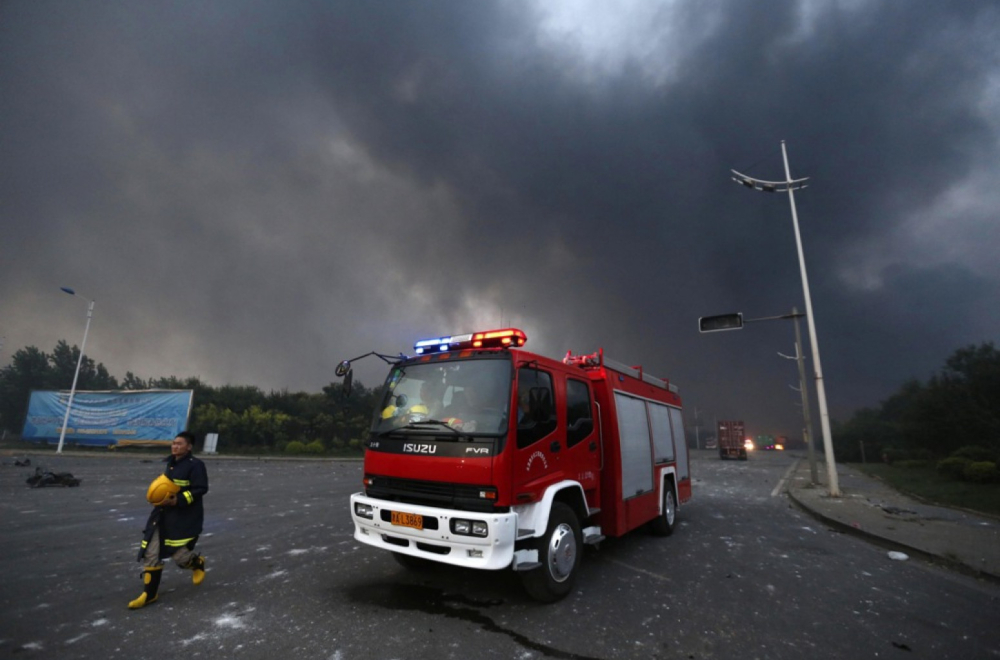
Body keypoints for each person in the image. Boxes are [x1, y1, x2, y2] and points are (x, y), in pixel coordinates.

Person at [128, 431, 209, 609]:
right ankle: (149, 594)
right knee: (151, 551)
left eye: (180, 444)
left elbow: (201, 489)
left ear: (189, 447)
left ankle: (197, 563)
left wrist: (177, 500)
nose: (175, 446)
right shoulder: (170, 464)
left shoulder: (195, 465)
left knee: (179, 556)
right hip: (162, 515)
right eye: (174, 443)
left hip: (184, 517)